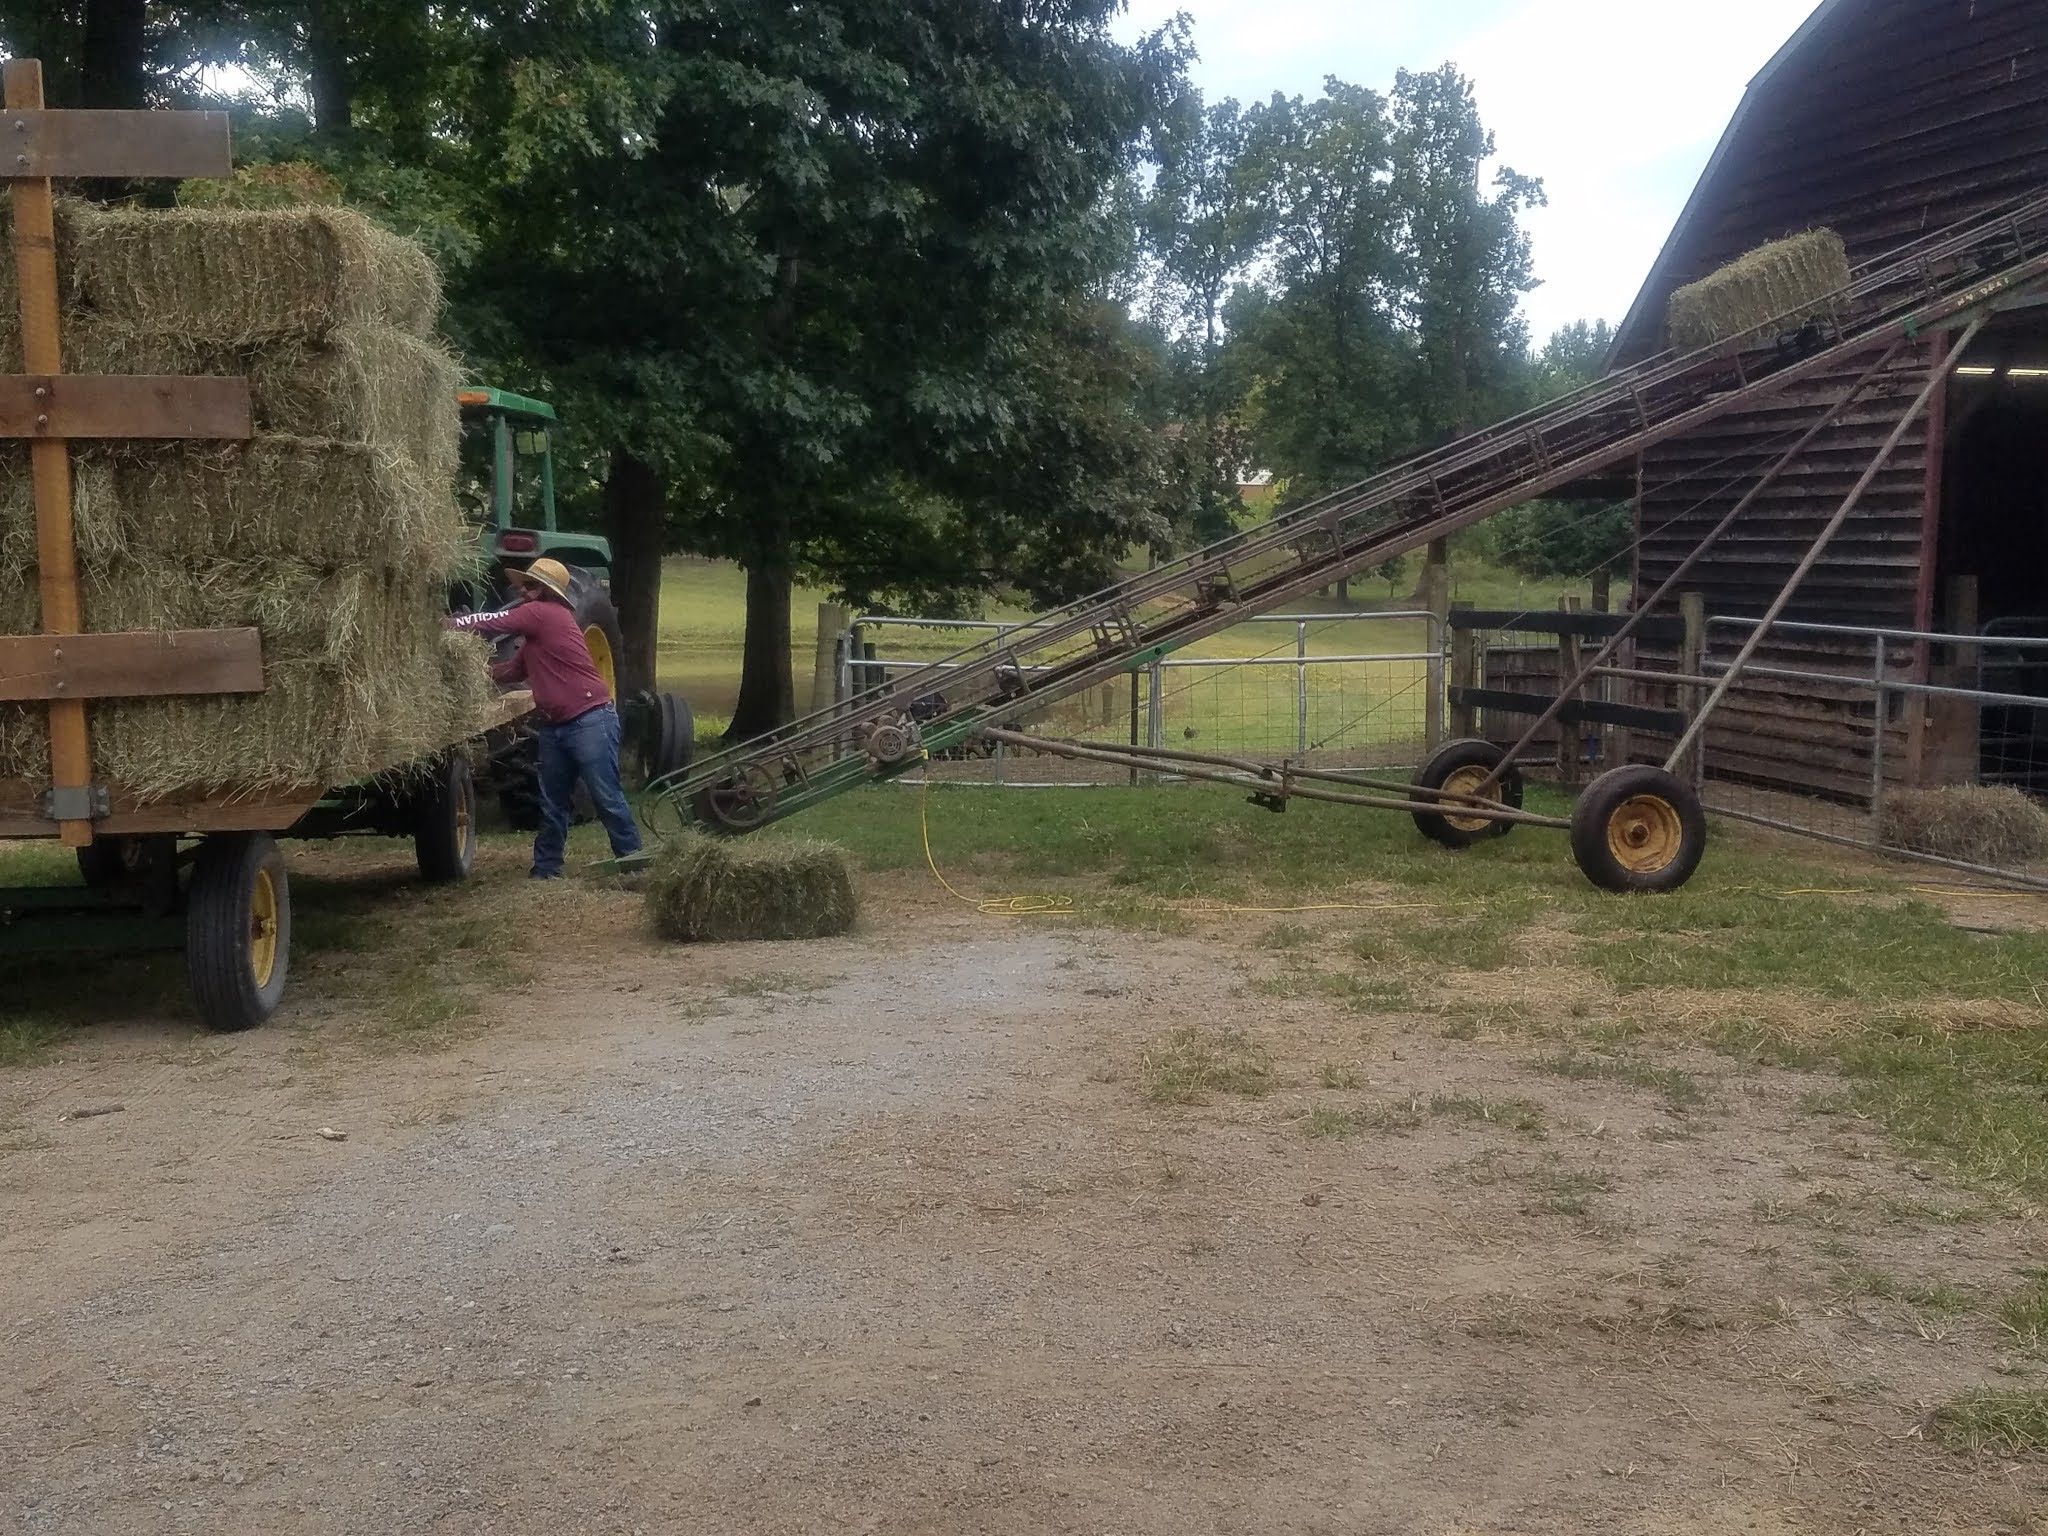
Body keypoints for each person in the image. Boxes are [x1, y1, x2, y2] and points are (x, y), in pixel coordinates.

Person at [445, 558, 643, 878]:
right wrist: (478, 673)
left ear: (547, 591)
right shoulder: (538, 634)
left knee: (605, 796)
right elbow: (514, 671)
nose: (523, 592)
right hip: (556, 726)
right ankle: (547, 868)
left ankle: (633, 861)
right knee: (552, 803)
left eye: (531, 586)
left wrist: (451, 624)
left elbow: (494, 621)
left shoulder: (544, 613)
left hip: (589, 721)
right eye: (524, 586)